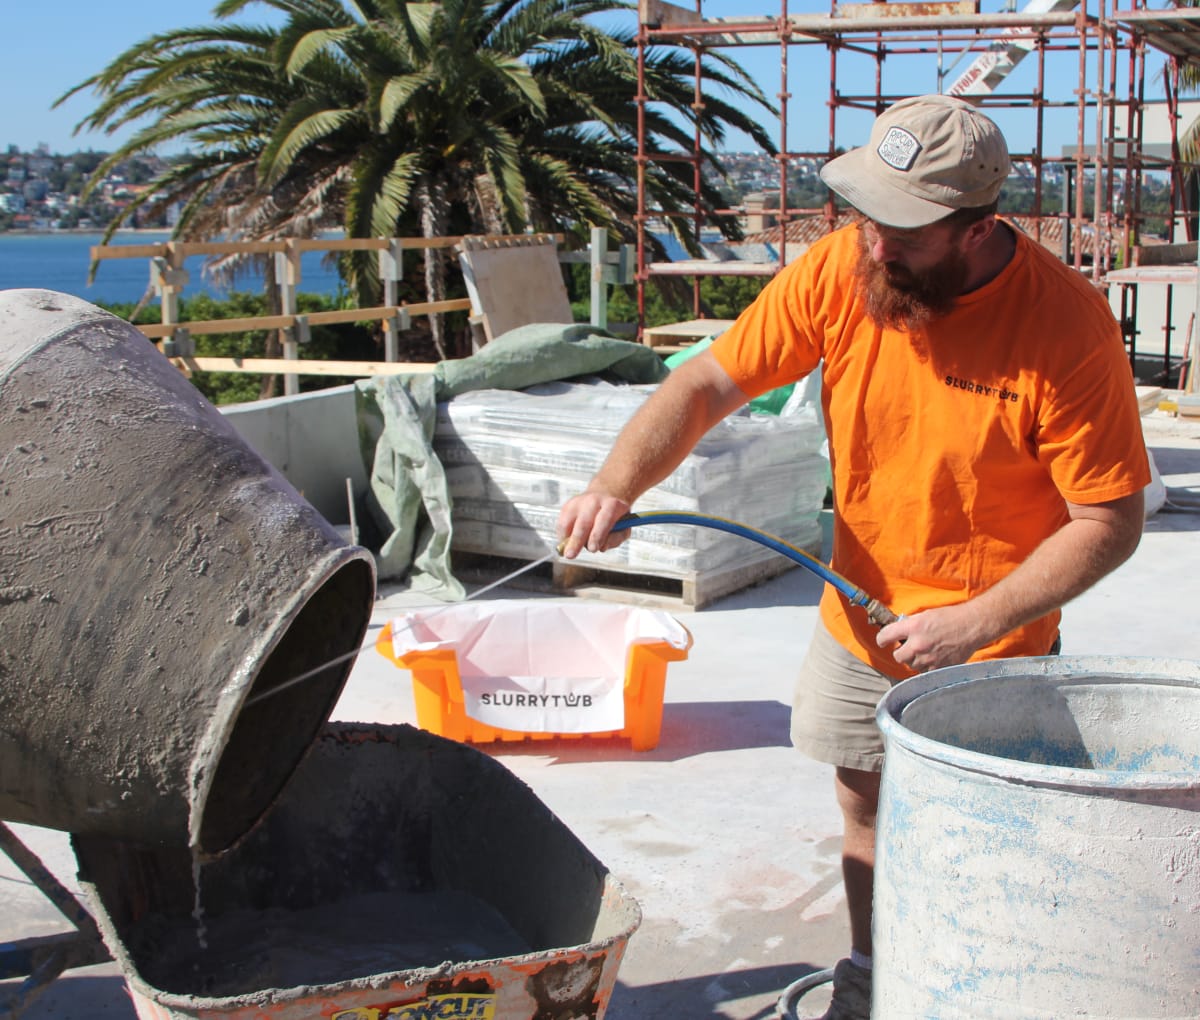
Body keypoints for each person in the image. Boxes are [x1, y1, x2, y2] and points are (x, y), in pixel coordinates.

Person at [556, 94, 1150, 1020]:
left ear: (980, 226)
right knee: (864, 812)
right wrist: (616, 482)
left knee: (978, 836)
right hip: (858, 618)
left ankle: (970, 988)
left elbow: (1108, 519)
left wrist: (978, 620)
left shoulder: (1065, 329)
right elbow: (711, 379)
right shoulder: (846, 266)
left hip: (991, 646)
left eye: (905, 232)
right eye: (870, 218)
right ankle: (873, 979)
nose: (877, 246)